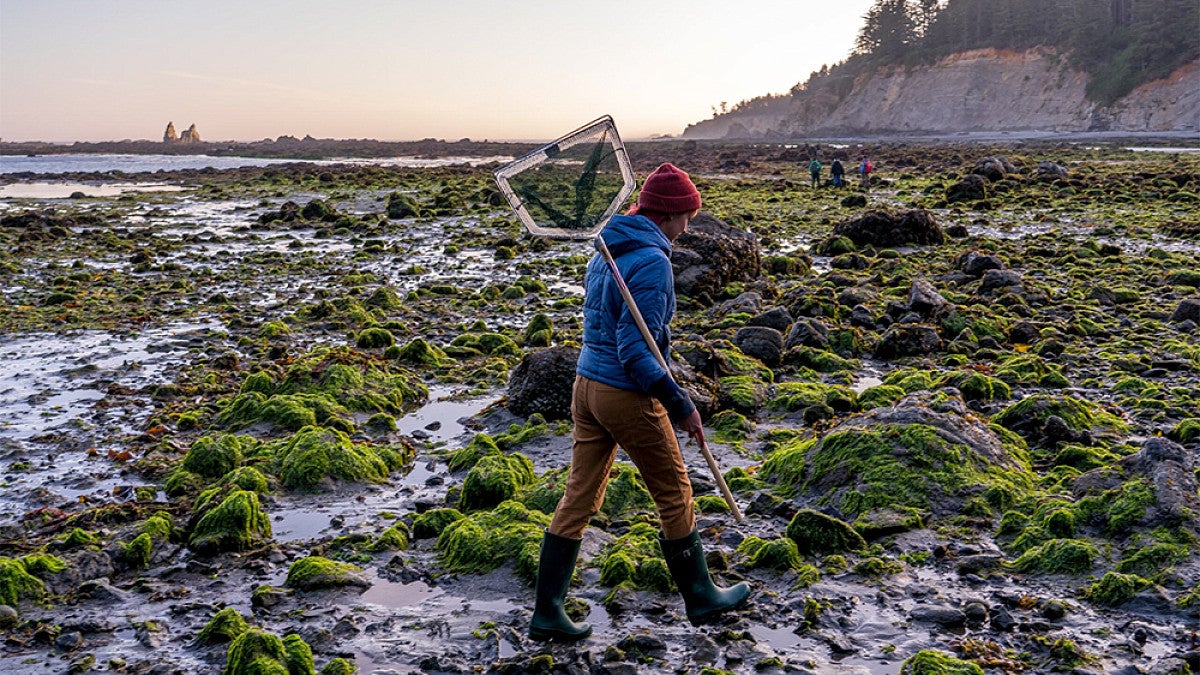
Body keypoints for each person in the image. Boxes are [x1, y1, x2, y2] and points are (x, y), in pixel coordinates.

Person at [528, 163, 751, 642]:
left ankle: (547, 612)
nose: (688, 225)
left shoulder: (608, 247)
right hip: (624, 393)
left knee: (578, 498)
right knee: (674, 492)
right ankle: (702, 598)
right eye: (686, 215)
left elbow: (605, 328)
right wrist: (679, 401)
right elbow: (635, 350)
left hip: (586, 386)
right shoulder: (651, 260)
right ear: (669, 214)